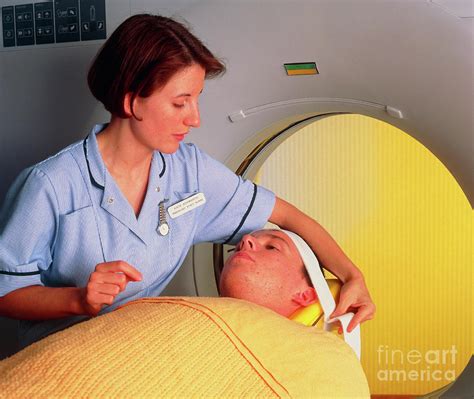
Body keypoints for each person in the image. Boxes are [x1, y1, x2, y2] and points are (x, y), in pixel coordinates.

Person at [0, 14, 374, 348]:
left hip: (140, 348)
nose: (194, 119)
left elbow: (289, 217)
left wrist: (352, 275)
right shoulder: (50, 185)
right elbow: (6, 295)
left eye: (197, 100)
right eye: (181, 103)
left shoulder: (189, 171)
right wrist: (79, 299)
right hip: (63, 354)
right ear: (132, 102)